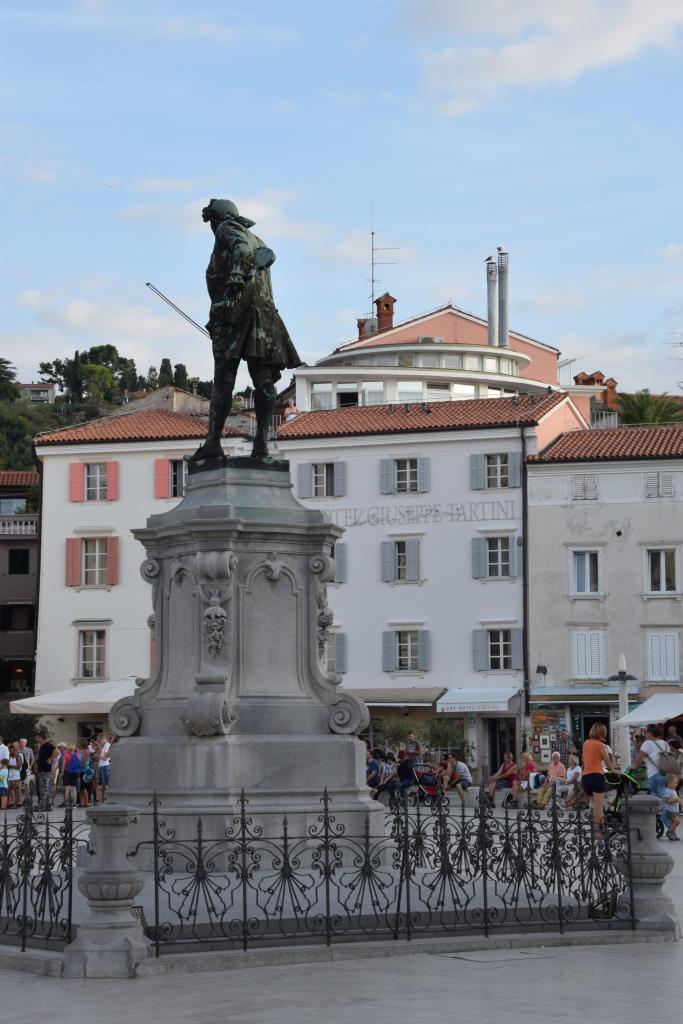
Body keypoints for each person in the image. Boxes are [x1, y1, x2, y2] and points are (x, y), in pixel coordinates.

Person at [189, 199, 301, 464]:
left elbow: (240, 249)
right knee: (263, 379)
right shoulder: (258, 238)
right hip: (264, 313)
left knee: (224, 379)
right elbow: (266, 255)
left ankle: (213, 442)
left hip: (233, 314)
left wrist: (236, 275)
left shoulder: (227, 229)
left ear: (216, 219)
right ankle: (261, 443)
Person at [581, 723, 612, 828]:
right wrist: (615, 771)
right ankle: (596, 833)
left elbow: (585, 760)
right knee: (598, 810)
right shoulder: (600, 745)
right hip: (597, 777)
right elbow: (608, 764)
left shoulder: (585, 743)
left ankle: (603, 827)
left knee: (594, 806)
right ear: (602, 733)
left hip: (586, 777)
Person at [635, 723, 673, 802]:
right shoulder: (665, 743)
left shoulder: (647, 743)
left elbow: (637, 760)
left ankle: (674, 807)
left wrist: (633, 767)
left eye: (645, 732)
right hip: (665, 774)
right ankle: (667, 810)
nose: (644, 734)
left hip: (654, 774)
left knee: (664, 799)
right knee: (657, 798)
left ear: (650, 733)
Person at [34, 732, 56, 810]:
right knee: (43, 788)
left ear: (40, 737)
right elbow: (40, 757)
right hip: (41, 770)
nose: (36, 739)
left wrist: (50, 759)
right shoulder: (42, 746)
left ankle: (42, 805)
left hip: (46, 770)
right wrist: (36, 765)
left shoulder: (48, 745)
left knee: (44, 788)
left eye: (37, 737)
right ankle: (47, 805)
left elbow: (57, 751)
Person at [660, 773, 681, 840]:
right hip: (669, 810)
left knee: (674, 823)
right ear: (669, 782)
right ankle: (669, 832)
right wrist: (674, 801)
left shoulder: (674, 790)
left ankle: (673, 834)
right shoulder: (667, 791)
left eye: (677, 783)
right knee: (677, 821)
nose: (676, 784)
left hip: (674, 810)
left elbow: (678, 798)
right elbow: (667, 801)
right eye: (675, 783)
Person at [7, 742, 23, 808]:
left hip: (16, 776)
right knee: (9, 790)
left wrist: (10, 766)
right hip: (10, 776)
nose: (10, 751)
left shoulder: (18, 756)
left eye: (11, 750)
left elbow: (18, 766)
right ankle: (8, 803)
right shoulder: (9, 756)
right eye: (9, 750)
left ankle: (16, 804)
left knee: (16, 790)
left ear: (14, 749)